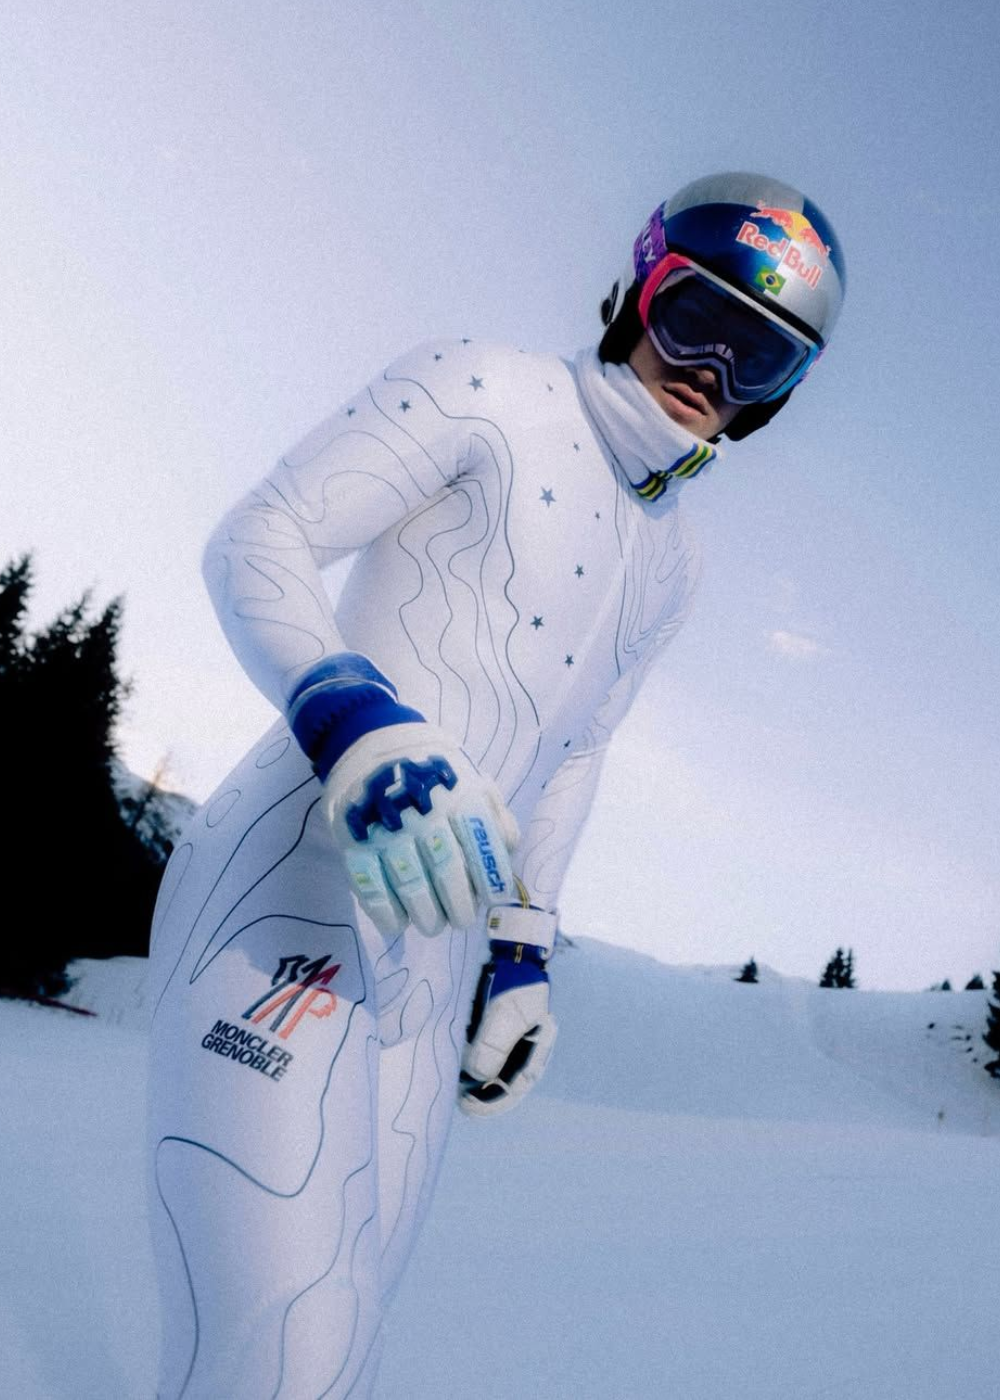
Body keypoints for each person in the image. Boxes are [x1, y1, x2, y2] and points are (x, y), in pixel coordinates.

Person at [146, 170, 846, 1398]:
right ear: (637, 289)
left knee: (349, 1338)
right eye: (696, 321)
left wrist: (520, 953)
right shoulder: (488, 391)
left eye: (763, 362)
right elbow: (259, 534)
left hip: (433, 955)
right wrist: (351, 715)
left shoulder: (670, 561)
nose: (712, 375)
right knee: (278, 1348)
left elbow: (571, 751)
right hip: (289, 894)